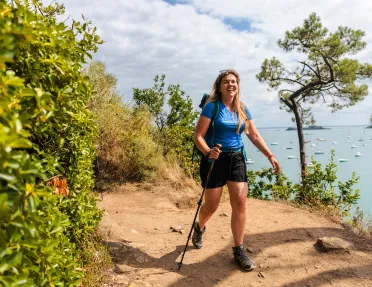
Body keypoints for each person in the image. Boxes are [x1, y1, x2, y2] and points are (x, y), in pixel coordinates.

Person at [193, 69, 280, 271]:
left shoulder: (242, 108)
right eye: (226, 82)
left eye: (234, 81)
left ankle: (238, 249)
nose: (230, 84)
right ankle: (200, 227)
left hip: (237, 159)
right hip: (215, 159)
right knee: (211, 206)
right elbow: (198, 136)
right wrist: (208, 151)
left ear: (237, 86)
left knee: (240, 203)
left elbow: (254, 135)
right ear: (220, 86)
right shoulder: (211, 108)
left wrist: (270, 155)